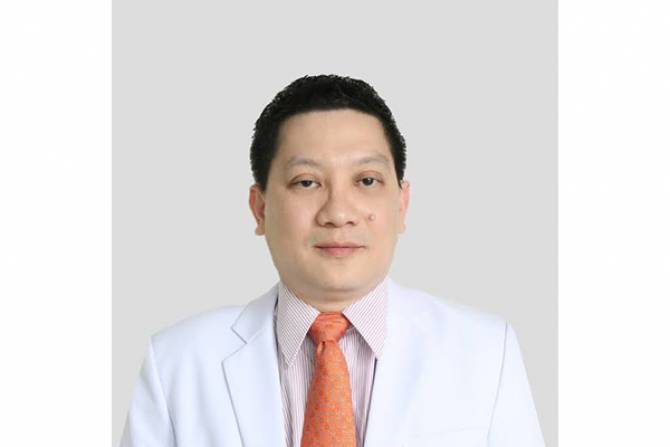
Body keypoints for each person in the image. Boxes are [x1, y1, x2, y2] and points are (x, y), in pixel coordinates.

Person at [119, 75, 546, 447]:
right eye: (307, 182)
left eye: (367, 180)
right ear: (260, 208)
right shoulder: (177, 362)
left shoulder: (486, 351)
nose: (338, 212)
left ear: (401, 204)